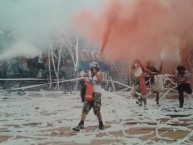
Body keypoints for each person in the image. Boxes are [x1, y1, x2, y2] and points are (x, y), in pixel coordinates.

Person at [73, 61, 104, 131]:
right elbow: (83, 76)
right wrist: (84, 78)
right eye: (91, 68)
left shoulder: (99, 73)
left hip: (97, 94)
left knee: (97, 110)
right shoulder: (89, 72)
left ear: (96, 68)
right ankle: (81, 124)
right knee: (85, 108)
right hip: (89, 92)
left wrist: (95, 73)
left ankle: (101, 124)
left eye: (92, 68)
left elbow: (100, 80)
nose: (91, 69)